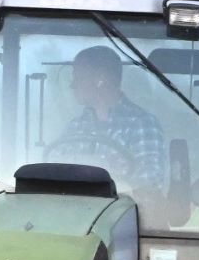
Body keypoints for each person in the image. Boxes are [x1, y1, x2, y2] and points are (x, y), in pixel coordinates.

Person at [56, 45, 166, 190]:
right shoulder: (75, 126)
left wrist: (102, 178)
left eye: (78, 78)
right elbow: (56, 169)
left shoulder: (141, 123)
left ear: (100, 79)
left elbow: (149, 180)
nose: (72, 85)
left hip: (120, 204)